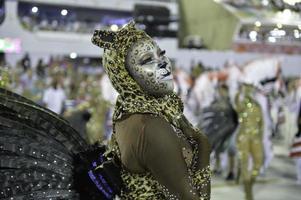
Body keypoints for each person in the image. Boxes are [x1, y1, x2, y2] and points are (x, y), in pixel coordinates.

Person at [91, 21, 211, 199]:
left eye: (161, 55)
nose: (162, 64)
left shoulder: (126, 111)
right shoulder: (151, 126)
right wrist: (202, 146)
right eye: (148, 60)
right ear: (126, 76)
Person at [235, 83, 264, 200]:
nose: (249, 90)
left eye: (250, 88)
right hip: (244, 137)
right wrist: (238, 94)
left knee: (258, 163)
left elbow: (262, 124)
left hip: (255, 137)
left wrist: (260, 138)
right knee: (244, 162)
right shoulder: (242, 104)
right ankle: (248, 191)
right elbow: (237, 107)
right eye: (247, 88)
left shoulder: (258, 106)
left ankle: (249, 183)